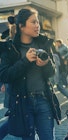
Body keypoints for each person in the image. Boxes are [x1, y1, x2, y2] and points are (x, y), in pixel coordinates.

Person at [0, 7, 59, 140]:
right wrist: (25, 61)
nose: (37, 25)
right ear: (21, 26)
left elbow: (52, 72)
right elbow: (5, 75)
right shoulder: (10, 48)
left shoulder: (44, 44)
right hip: (22, 103)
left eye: (38, 22)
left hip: (43, 99)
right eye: (33, 22)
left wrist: (46, 64)